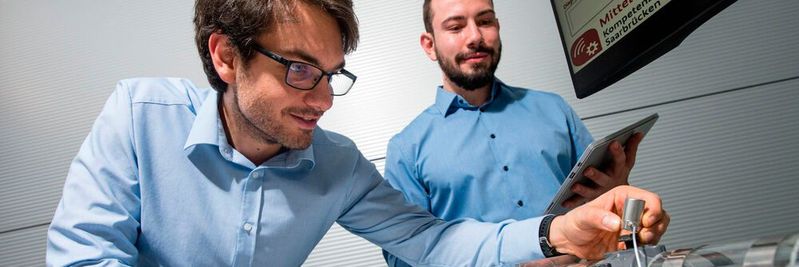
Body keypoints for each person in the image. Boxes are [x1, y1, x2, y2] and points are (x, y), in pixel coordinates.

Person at [46, 0, 668, 266]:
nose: (320, 101)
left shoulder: (335, 166)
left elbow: (429, 242)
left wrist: (555, 230)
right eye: (297, 70)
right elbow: (83, 256)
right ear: (226, 57)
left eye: (331, 75)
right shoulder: (138, 114)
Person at [383, 0, 647, 266]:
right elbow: (404, 256)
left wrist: (616, 192)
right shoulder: (407, 149)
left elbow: (600, 211)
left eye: (485, 21)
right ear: (430, 45)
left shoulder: (554, 109)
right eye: (456, 27)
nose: (475, 36)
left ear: (497, 27)